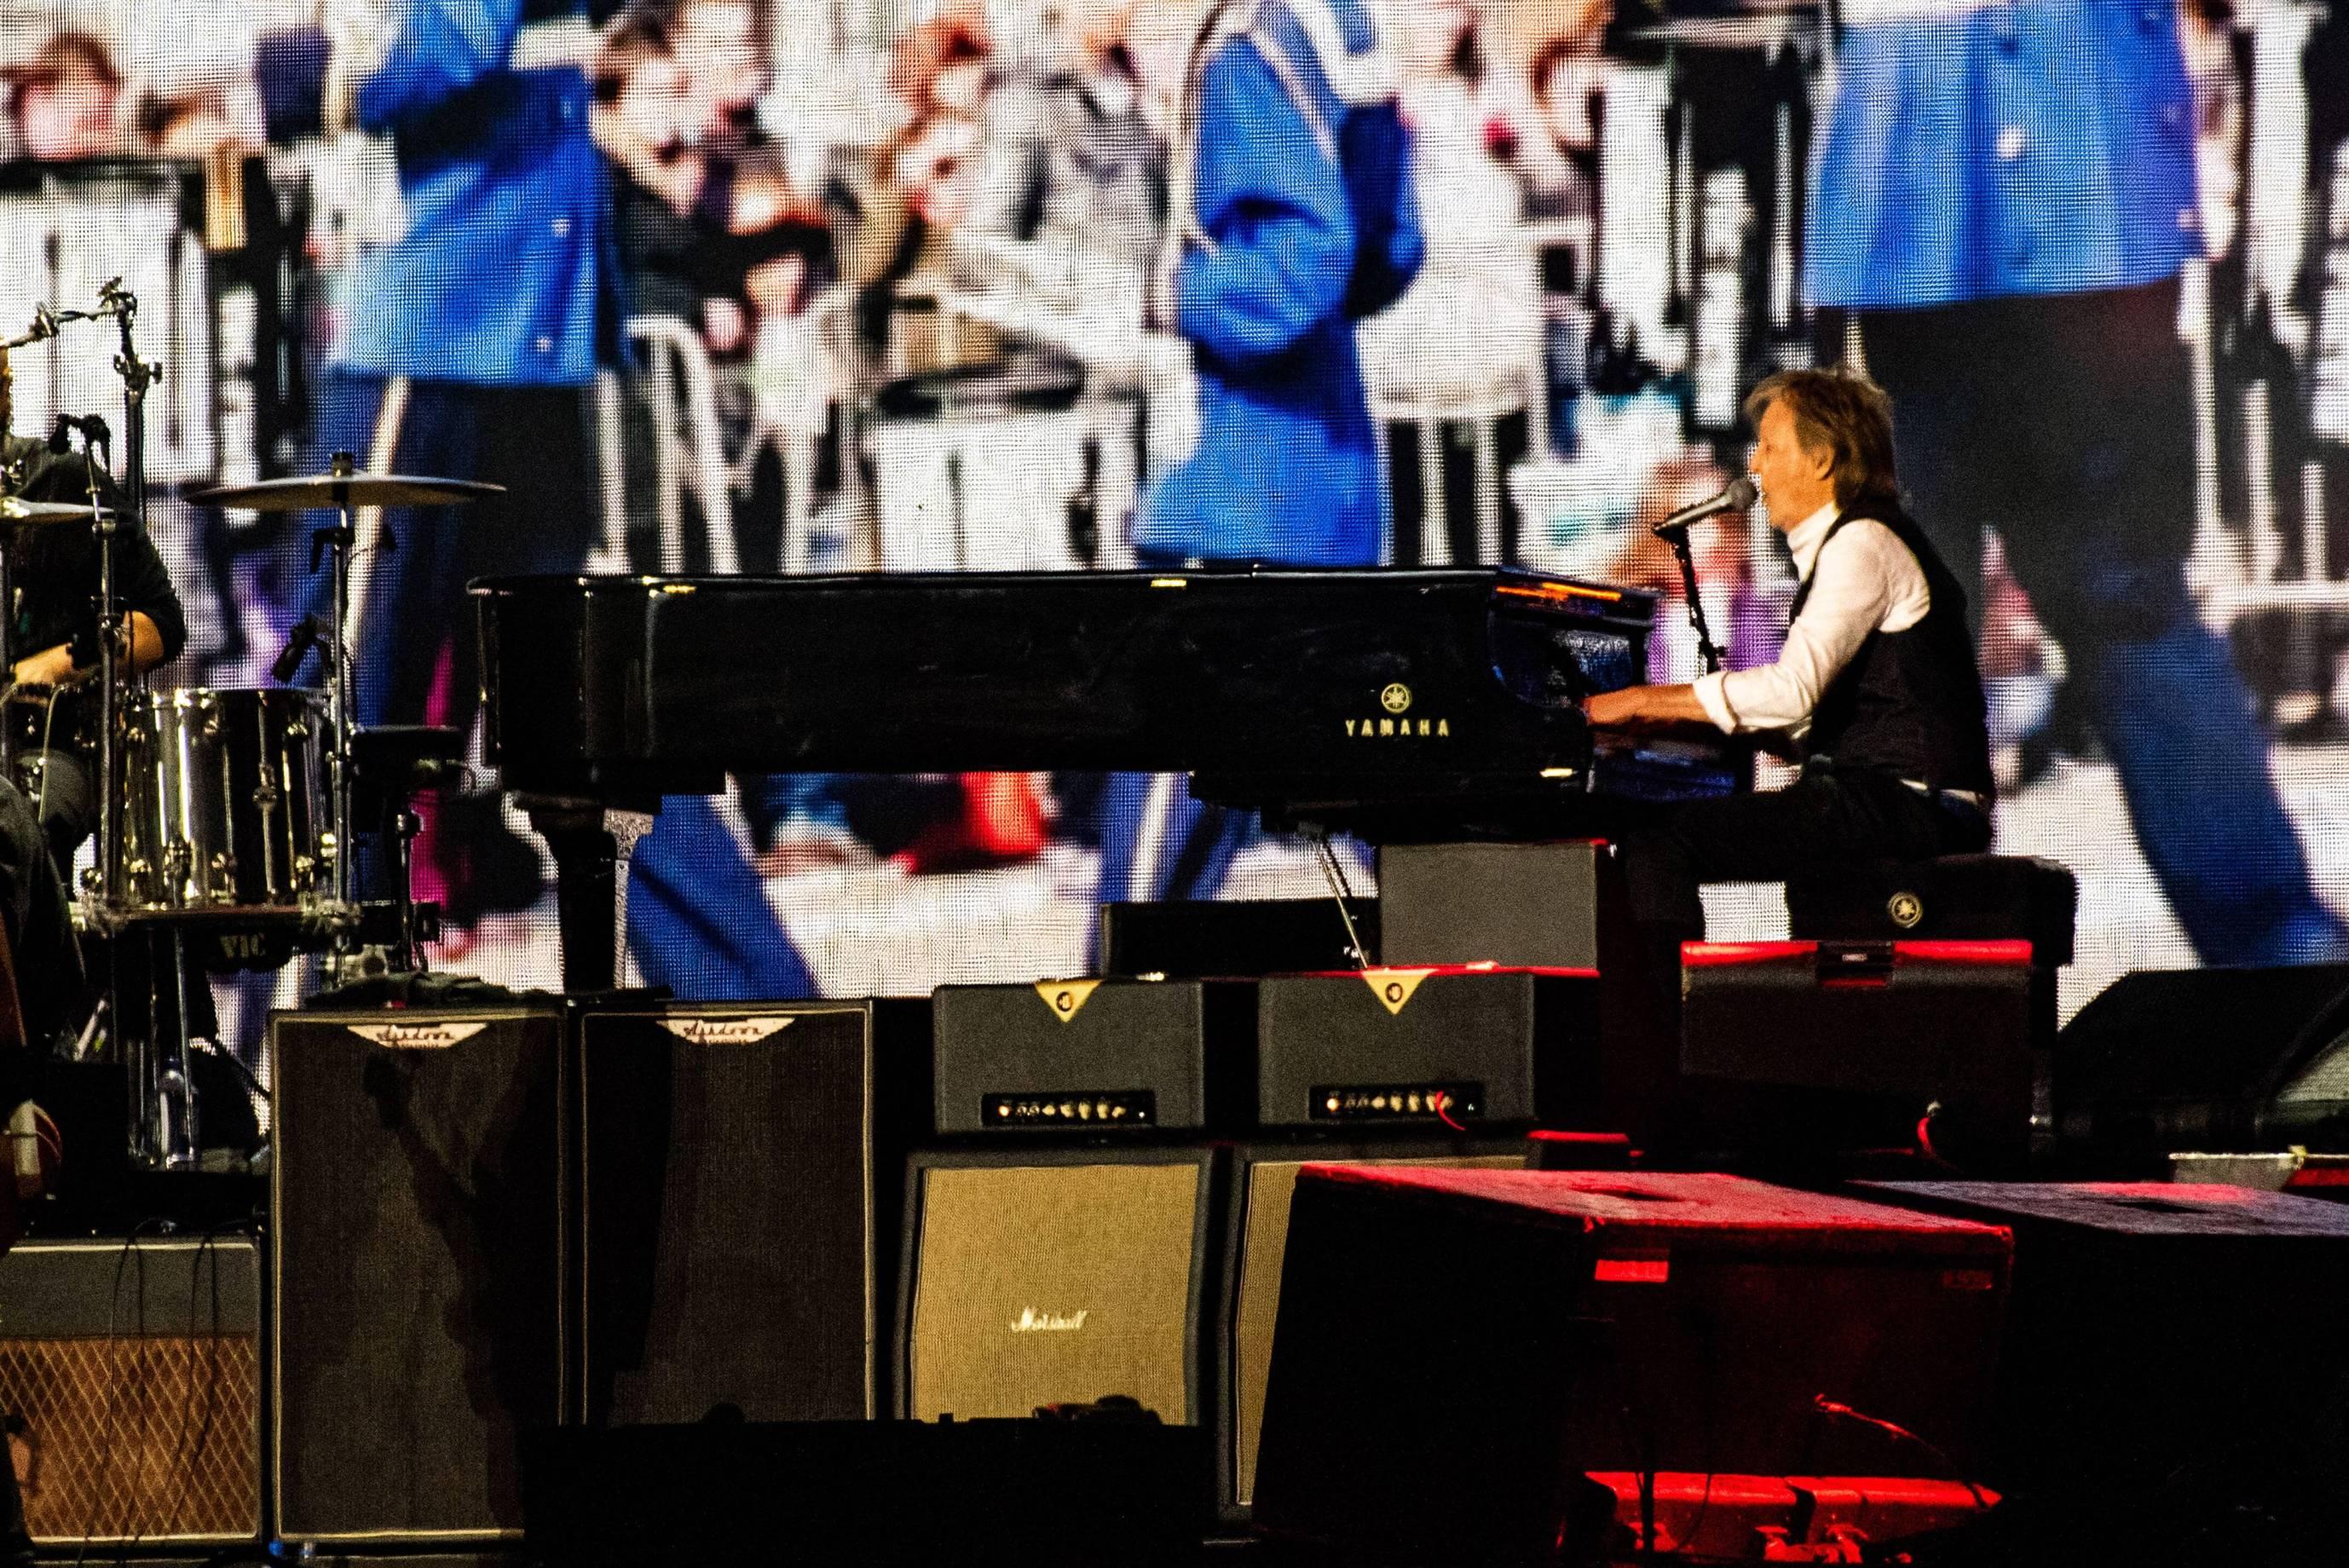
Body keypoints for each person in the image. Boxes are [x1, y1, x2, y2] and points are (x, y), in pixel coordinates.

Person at [1806, 0, 2345, 966]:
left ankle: (1899, 991)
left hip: (1920, 180)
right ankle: (2275, 955)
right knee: (2123, 604)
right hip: (2086, 174)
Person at [316, 0, 620, 930]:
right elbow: (387, 85)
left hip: (533, 337)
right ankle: (332, 979)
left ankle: (751, 988)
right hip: (434, 332)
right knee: (359, 699)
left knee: (591, 704)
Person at [1585, 369, 1994, 985]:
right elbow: (1813, 720)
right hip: (1896, 797)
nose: (1754, 467)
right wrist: (1674, 733)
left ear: (1823, 458)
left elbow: (1790, 694)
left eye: (1771, 447)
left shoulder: (1863, 544)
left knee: (1661, 839)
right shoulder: (1858, 542)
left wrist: (1637, 703)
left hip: (1907, 803)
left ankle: (1663, 1031)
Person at [0, 355, 188, 874]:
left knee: (11, 826)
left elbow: (161, 626)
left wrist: (52, 665)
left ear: (5, 387)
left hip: (48, 749)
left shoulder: (61, 482)